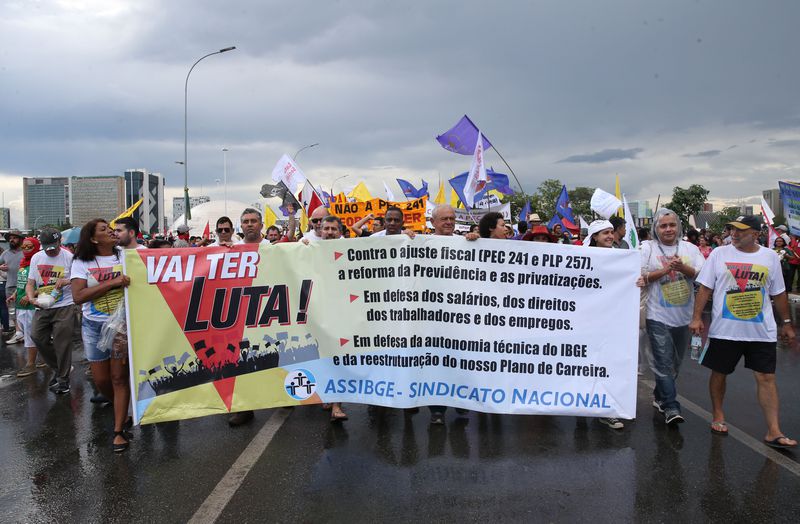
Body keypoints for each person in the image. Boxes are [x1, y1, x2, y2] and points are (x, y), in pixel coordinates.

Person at [689, 215, 797, 448]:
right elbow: (705, 288)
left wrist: (787, 323)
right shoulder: (720, 254)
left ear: (756, 234)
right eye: (732, 230)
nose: (734, 234)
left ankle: (774, 430)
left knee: (767, 378)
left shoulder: (769, 257)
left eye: (741, 231)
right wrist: (697, 317)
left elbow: (779, 293)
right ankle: (718, 415)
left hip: (761, 331)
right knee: (719, 373)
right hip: (725, 331)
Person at [71, 219, 132, 452]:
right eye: (105, 230)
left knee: (118, 378)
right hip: (93, 327)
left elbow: (165, 258)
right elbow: (78, 296)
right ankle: (122, 406)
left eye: (112, 228)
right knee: (102, 380)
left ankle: (119, 430)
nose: (111, 231)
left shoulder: (125, 255)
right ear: (94, 239)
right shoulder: (81, 262)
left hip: (121, 327)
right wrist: (114, 282)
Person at [639, 208, 704, 425]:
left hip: (684, 316)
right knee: (663, 362)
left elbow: (703, 277)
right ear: (655, 229)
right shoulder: (647, 248)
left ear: (679, 227)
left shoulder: (691, 249)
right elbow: (639, 277)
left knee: (675, 364)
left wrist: (682, 267)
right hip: (656, 315)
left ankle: (660, 396)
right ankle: (671, 407)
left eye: (672, 225)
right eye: (663, 225)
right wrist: (665, 271)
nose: (668, 229)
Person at [427, 205, 477, 425]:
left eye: (452, 218)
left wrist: (478, 239)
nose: (449, 222)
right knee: (436, 363)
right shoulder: (422, 243)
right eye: (444, 219)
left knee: (460, 361)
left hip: (459, 316)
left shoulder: (465, 242)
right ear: (433, 222)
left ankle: (461, 402)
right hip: (432, 316)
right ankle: (437, 409)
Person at [229, 207, 270, 426]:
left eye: (254, 220)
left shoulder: (272, 248)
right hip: (243, 313)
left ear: (261, 224)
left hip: (268, 311)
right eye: (246, 221)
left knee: (272, 355)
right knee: (242, 362)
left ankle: (281, 396)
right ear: (241, 225)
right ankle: (245, 408)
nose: (250, 224)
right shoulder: (232, 250)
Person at [584, 220, 625, 430]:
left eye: (611, 232)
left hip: (612, 322)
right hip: (588, 323)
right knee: (586, 366)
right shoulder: (582, 258)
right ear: (594, 238)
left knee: (609, 367)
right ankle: (581, 406)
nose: (610, 236)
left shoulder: (623, 258)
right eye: (605, 233)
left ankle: (607, 409)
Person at [26, 228, 75, 395]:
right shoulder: (37, 258)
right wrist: (31, 298)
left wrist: (66, 281)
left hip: (65, 305)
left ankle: (63, 379)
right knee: (37, 336)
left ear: (59, 242)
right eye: (47, 247)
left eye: (53, 247)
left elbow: (78, 279)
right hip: (43, 305)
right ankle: (59, 368)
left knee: (63, 343)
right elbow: (30, 283)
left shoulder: (69, 257)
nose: (51, 250)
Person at [319, 215, 350, 422]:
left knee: (339, 357)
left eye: (333, 229)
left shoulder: (351, 249)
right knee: (323, 357)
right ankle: (327, 393)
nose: (330, 232)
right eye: (326, 228)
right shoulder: (308, 249)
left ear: (340, 232)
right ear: (320, 230)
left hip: (343, 312)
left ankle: (337, 405)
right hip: (318, 313)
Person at [13, 237, 44, 377]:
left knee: (31, 336)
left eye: (29, 246)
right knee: (30, 334)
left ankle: (31, 364)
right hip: (21, 305)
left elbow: (46, 285)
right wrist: (15, 294)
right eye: (23, 247)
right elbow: (23, 283)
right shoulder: (23, 263)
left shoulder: (39, 263)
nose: (25, 249)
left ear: (36, 247)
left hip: (32, 306)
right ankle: (44, 359)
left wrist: (31, 295)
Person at [2, 230, 25, 342]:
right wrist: (1, 267)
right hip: (10, 285)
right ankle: (18, 333)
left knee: (26, 309)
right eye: (10, 238)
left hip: (25, 285)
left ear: (21, 239)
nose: (12, 240)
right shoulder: (5, 253)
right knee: (12, 310)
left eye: (15, 238)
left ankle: (30, 333)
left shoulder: (26, 252)